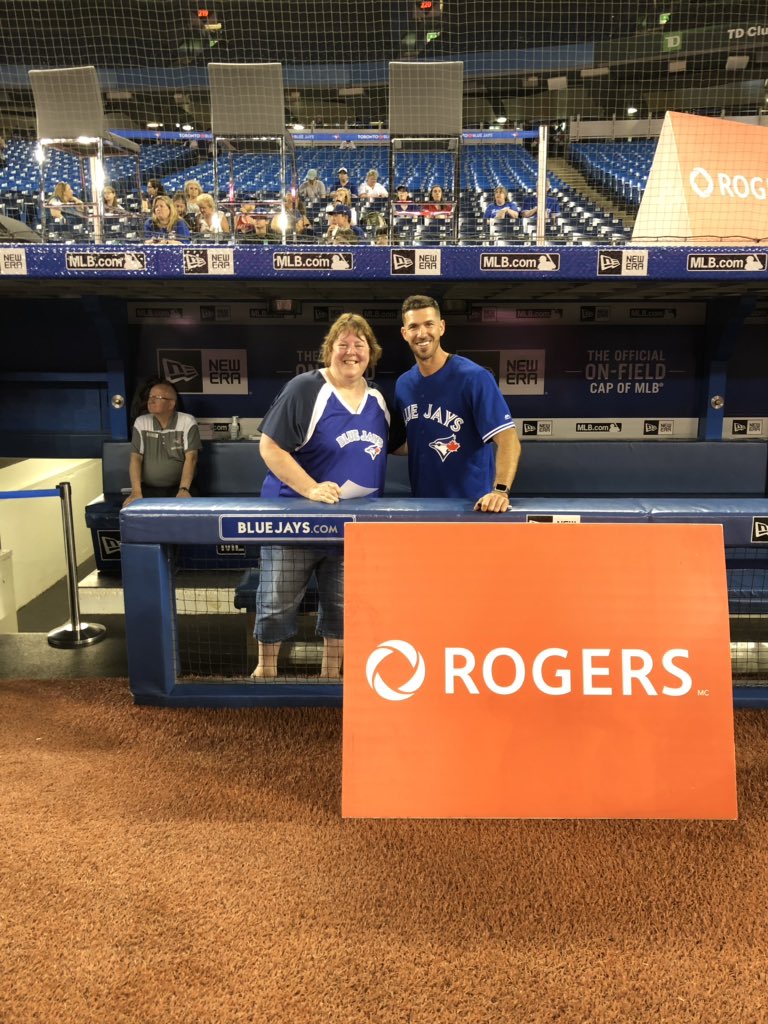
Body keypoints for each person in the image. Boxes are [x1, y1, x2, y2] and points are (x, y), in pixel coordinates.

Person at [252, 313, 392, 680]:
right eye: (342, 345)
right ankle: (266, 670)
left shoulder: (377, 399)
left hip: (351, 528)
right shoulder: (306, 388)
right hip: (294, 522)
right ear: (328, 350)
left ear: (370, 354)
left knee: (343, 606)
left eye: (359, 346)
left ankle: (331, 675)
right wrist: (310, 488)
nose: (351, 352)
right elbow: (270, 447)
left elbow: (397, 447)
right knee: (276, 603)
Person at [394, 295, 521, 513]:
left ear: (441, 327)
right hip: (423, 506)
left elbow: (509, 440)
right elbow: (407, 442)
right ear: (405, 333)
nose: (422, 333)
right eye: (414, 326)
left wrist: (500, 491)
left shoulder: (474, 377)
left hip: (473, 508)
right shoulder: (403, 384)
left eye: (429, 324)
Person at [123, 379, 201, 506]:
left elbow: (191, 458)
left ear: (171, 404)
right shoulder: (141, 422)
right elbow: (136, 458)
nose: (150, 400)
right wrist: (136, 492)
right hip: (149, 489)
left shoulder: (187, 421)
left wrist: (184, 489)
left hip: (180, 487)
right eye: (150, 397)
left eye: (157, 397)